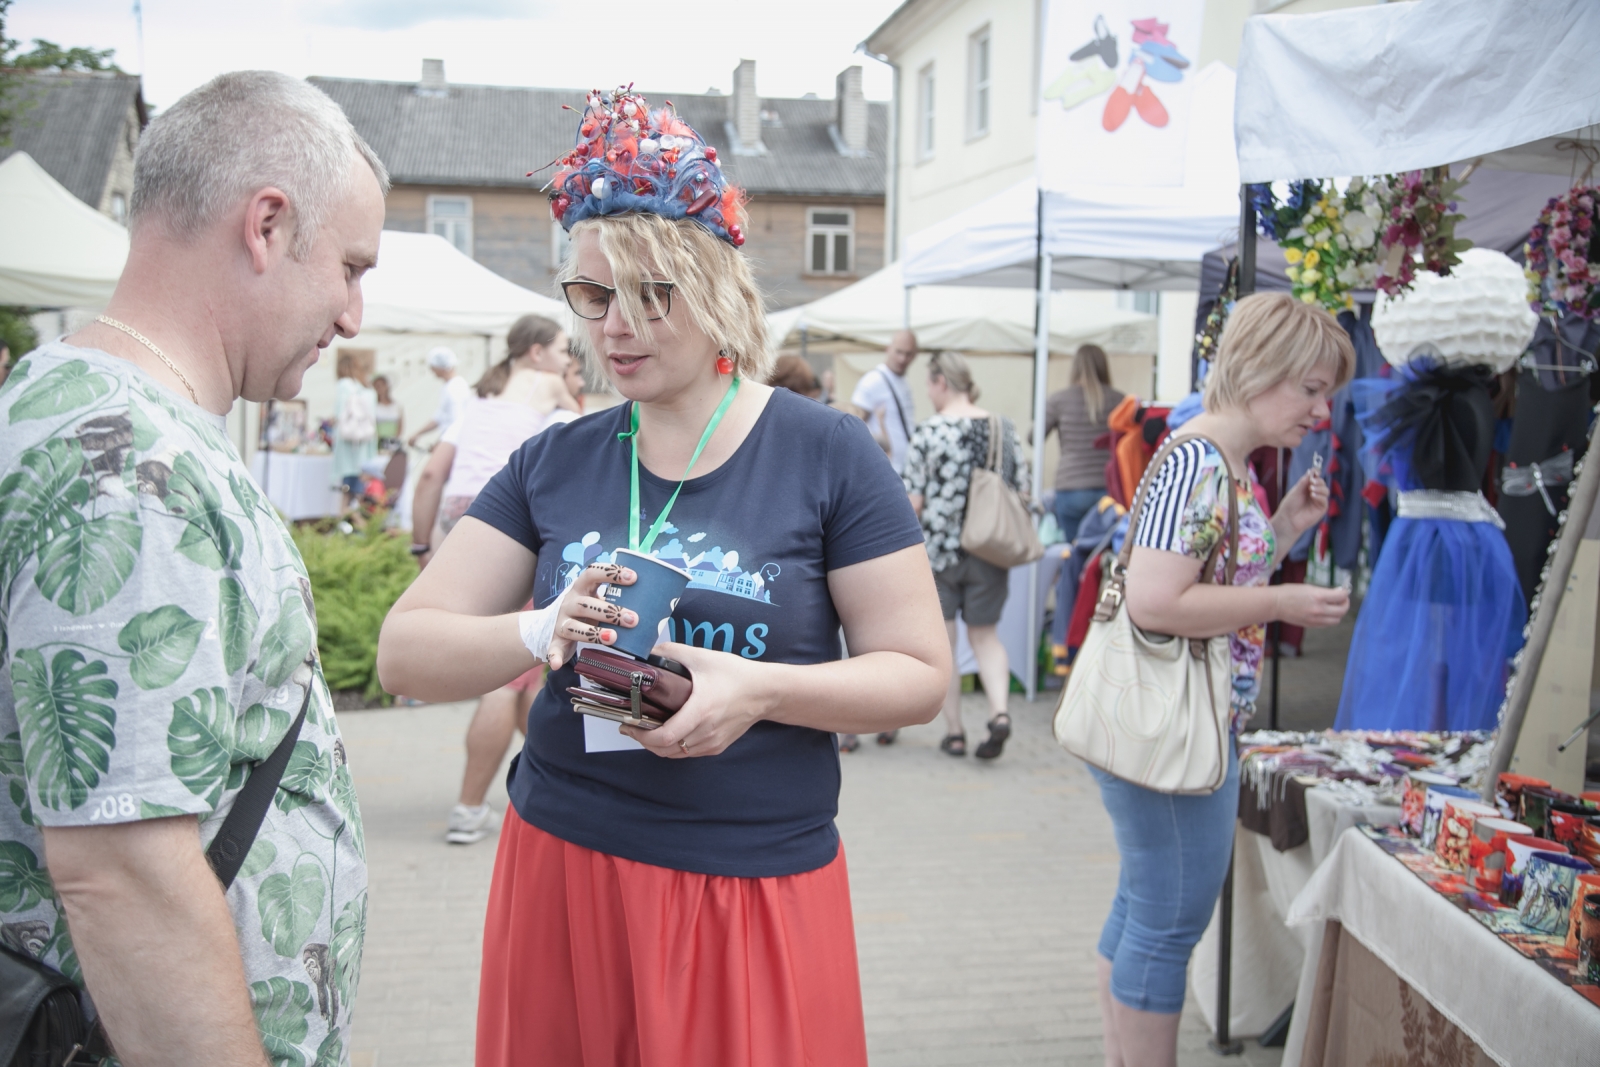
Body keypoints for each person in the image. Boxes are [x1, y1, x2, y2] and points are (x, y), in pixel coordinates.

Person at [376, 86, 948, 1067]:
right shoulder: (557, 458)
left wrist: (762, 689)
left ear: (715, 283)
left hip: (750, 884)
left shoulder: (826, 453)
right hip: (563, 867)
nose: (617, 325)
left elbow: (918, 673)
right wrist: (540, 627)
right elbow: (405, 652)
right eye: (592, 296)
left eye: (651, 293)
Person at [0, 71, 385, 1066]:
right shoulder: (129, 470)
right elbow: (123, 870)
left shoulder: (98, 411)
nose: (352, 314)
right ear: (266, 224)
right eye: (348, 266)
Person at [1096, 292, 1353, 1067]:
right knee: (1166, 920)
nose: (1321, 409)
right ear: (1262, 369)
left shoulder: (1219, 461)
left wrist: (1280, 534)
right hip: (1177, 725)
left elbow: (1205, 578)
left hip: (1186, 721)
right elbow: (1157, 598)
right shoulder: (1201, 460)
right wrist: (1281, 598)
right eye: (1310, 388)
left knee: (1146, 908)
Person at [409, 314, 576, 845]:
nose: (569, 361)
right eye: (564, 351)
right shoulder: (549, 406)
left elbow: (432, 475)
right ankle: (468, 807)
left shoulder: (475, 407)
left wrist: (422, 547)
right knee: (506, 678)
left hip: (457, 522)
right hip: (510, 529)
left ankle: (562, 779)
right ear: (536, 354)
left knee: (524, 672)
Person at [902, 351, 1030, 760]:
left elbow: (913, 502)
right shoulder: (1002, 429)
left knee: (946, 644)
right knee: (986, 636)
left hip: (938, 554)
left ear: (940, 381)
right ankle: (1000, 713)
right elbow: (1022, 492)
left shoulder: (928, 432)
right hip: (990, 548)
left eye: (929, 383)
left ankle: (954, 733)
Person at [1044, 344, 1125, 668]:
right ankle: (1099, 644)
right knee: (1104, 571)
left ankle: (1070, 649)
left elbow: (1035, 435)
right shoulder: (1118, 400)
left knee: (1074, 569)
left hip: (1070, 490)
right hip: (1107, 496)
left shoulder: (1060, 399)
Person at [851, 329, 918, 472]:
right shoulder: (872, 381)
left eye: (908, 354)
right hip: (887, 469)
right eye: (899, 352)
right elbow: (854, 425)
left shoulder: (903, 381)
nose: (902, 359)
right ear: (888, 349)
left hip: (906, 467)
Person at [333, 349, 378, 499]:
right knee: (360, 485)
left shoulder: (343, 385)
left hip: (348, 442)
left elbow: (340, 414)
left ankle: (345, 517)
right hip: (364, 441)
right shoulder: (364, 387)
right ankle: (358, 518)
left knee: (346, 488)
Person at [407, 346, 471, 447]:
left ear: (441, 367)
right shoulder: (448, 386)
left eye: (433, 367)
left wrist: (440, 444)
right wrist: (417, 434)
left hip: (455, 443)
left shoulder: (456, 387)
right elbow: (439, 417)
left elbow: (456, 421)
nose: (432, 371)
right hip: (449, 441)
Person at [373, 372, 404, 451]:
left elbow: (400, 425)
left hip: (394, 443)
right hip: (377, 444)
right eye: (376, 386)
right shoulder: (373, 406)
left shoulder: (397, 405)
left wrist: (393, 439)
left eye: (381, 385)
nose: (379, 388)